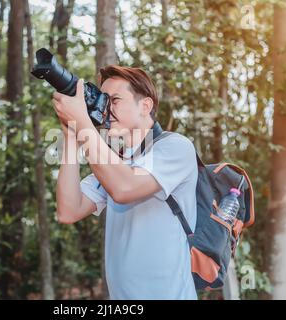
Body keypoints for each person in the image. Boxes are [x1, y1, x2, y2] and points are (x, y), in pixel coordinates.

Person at [52, 65, 198, 300]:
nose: (105, 109)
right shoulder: (115, 165)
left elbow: (124, 188)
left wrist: (83, 122)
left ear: (145, 106)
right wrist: (71, 137)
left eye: (115, 100)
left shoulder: (176, 147)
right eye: (103, 101)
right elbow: (68, 211)